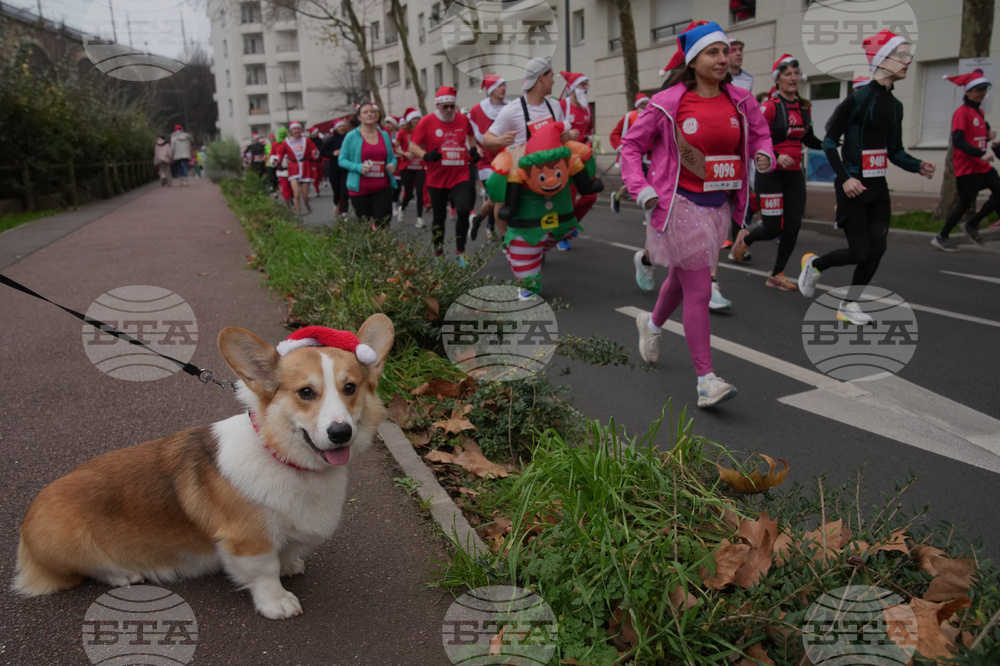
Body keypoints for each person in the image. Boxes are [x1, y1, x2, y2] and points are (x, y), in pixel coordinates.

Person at [621, 21, 773, 408]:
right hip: (678, 205)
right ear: (693, 60)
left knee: (681, 276)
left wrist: (763, 154)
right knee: (700, 288)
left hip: (718, 205)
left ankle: (652, 323)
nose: (723, 59)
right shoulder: (668, 102)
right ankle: (706, 380)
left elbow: (760, 134)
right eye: (713, 52)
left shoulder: (742, 100)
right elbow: (631, 145)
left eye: (725, 52)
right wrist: (641, 188)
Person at [798, 29, 935, 325]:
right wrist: (846, 178)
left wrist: (917, 165)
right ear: (882, 60)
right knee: (860, 251)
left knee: (878, 248)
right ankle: (815, 265)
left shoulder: (896, 106)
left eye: (908, 55)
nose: (908, 61)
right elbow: (830, 141)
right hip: (852, 187)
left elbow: (894, 151)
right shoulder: (859, 98)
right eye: (901, 55)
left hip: (878, 188)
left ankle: (850, 304)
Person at [730, 55, 823, 291]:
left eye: (796, 73)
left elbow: (808, 138)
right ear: (777, 79)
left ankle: (776, 274)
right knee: (772, 228)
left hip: (794, 176)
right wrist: (776, 155)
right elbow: (755, 137)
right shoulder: (770, 107)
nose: (793, 78)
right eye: (787, 74)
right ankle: (745, 239)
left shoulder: (804, 107)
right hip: (771, 174)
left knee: (792, 226)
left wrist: (830, 145)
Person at [484, 57, 570, 239]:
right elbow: (486, 139)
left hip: (550, 175)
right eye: (551, 76)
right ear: (541, 78)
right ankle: (507, 240)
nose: (553, 81)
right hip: (522, 177)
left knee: (550, 221)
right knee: (505, 205)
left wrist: (567, 136)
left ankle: (539, 245)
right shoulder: (512, 110)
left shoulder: (555, 106)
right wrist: (501, 139)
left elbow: (563, 133)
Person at [409, 87, 482, 264]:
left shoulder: (463, 119)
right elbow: (413, 146)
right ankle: (438, 253)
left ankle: (460, 251)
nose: (449, 110)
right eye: (445, 107)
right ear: (437, 106)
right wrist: (426, 155)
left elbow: (471, 137)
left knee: (463, 210)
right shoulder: (426, 122)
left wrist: (474, 150)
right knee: (439, 217)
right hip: (437, 178)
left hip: (460, 174)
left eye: (452, 106)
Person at [932, 69, 998, 250]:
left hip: (981, 166)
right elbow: (958, 141)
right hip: (967, 167)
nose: (982, 93)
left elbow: (976, 137)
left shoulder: (980, 113)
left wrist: (988, 137)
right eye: (978, 90)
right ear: (967, 92)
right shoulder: (961, 113)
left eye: (984, 89)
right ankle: (942, 236)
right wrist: (980, 153)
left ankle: (972, 224)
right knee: (966, 203)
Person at [609, 93, 656, 291]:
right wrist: (622, 148)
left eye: (647, 102)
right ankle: (647, 258)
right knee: (641, 189)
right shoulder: (630, 116)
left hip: (656, 159)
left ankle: (618, 197)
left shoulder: (656, 113)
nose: (645, 105)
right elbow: (615, 134)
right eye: (642, 103)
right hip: (637, 158)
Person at [338, 102, 398, 228]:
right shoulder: (351, 136)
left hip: (382, 187)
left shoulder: (384, 135)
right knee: (366, 228)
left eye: (372, 111)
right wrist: (358, 167)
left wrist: (392, 165)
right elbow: (342, 160)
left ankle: (381, 241)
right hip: (360, 189)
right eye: (365, 112)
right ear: (359, 117)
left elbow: (392, 158)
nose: (370, 114)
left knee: (383, 224)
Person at [556, 71, 597, 250]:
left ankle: (572, 223)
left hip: (583, 158)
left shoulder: (587, 109)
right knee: (569, 199)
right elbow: (551, 129)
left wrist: (589, 138)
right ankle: (562, 237)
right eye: (582, 84)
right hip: (566, 159)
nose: (586, 88)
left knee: (591, 195)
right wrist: (565, 135)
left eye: (587, 84)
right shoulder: (561, 106)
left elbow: (589, 129)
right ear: (573, 88)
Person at [468, 75, 508, 240]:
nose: (503, 88)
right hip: (486, 162)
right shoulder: (477, 110)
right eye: (499, 86)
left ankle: (479, 220)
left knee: (495, 200)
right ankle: (504, 237)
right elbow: (469, 133)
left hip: (506, 159)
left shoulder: (511, 107)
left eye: (504, 85)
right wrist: (476, 147)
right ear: (491, 89)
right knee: (498, 198)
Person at [270, 121, 321, 215]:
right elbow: (280, 153)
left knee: (305, 196)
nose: (296, 131)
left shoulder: (306, 140)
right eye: (294, 129)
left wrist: (314, 153)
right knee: (296, 195)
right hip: (293, 168)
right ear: (291, 131)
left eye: (298, 128)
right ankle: (298, 214)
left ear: (301, 130)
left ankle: (306, 203)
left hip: (305, 168)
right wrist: (276, 159)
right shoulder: (287, 142)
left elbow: (314, 151)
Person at [395, 108, 426, 227]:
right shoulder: (403, 132)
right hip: (406, 167)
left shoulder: (423, 131)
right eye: (414, 119)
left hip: (420, 166)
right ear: (409, 120)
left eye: (418, 118)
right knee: (409, 193)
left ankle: (420, 218)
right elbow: (395, 147)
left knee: (420, 191)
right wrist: (404, 153)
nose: (416, 120)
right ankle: (402, 208)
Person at [320, 118, 350, 216]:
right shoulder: (330, 140)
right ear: (335, 129)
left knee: (344, 191)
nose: (341, 128)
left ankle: (345, 212)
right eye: (339, 126)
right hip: (333, 168)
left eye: (343, 126)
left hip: (346, 168)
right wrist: (333, 153)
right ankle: (336, 205)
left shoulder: (349, 138)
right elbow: (322, 152)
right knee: (337, 191)